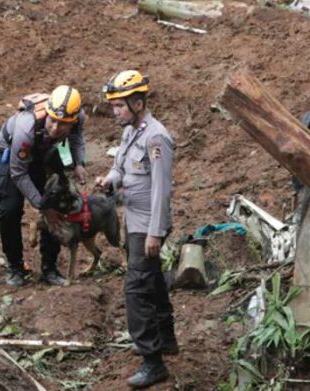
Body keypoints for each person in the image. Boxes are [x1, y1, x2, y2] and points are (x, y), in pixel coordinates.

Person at [95, 70, 177, 389]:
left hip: (147, 225)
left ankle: (152, 361)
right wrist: (109, 180)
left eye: (119, 105)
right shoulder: (131, 132)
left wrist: (155, 233)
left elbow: (161, 191)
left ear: (138, 102)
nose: (114, 111)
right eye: (113, 105)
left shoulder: (157, 137)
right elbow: (121, 167)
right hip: (134, 220)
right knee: (152, 280)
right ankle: (166, 338)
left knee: (136, 290)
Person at [0, 85, 88, 287]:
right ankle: (15, 265)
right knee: (10, 209)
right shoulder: (25, 127)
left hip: (49, 148)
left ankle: (50, 267)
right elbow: (18, 173)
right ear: (47, 113)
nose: (55, 127)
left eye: (63, 124)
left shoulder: (78, 117)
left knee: (58, 201)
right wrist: (43, 206)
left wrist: (78, 163)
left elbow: (76, 138)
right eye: (52, 120)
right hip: (13, 153)